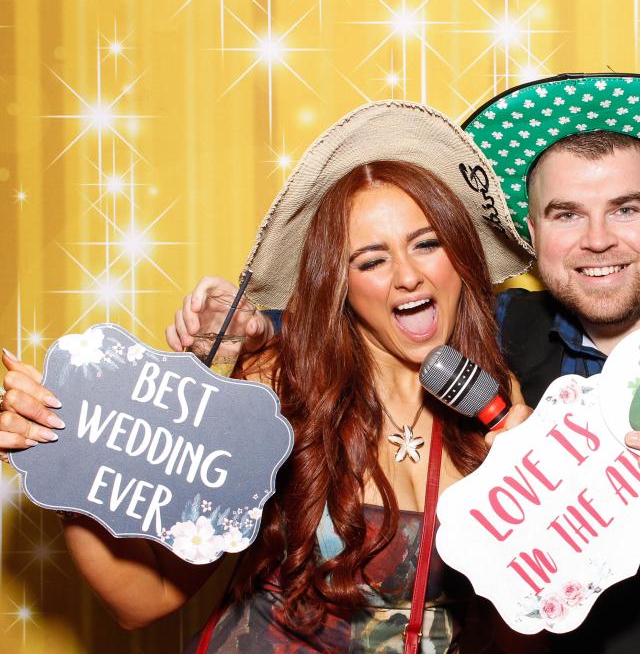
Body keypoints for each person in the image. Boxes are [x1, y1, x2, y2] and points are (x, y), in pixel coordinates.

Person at [175, 74, 640, 653]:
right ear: (533, 234)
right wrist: (255, 329)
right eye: (567, 215)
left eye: (626, 208)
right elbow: (372, 311)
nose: (597, 240)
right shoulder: (508, 330)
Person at [0, 101, 539, 652]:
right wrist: (64, 457)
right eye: (371, 260)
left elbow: (521, 628)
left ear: (460, 257)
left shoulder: (495, 401)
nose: (407, 276)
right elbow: (144, 600)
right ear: (339, 285)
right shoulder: (277, 389)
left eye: (426, 244)